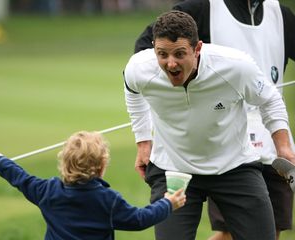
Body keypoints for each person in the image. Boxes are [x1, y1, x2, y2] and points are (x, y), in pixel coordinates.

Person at [123, 10, 295, 240]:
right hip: (173, 169)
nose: (170, 63)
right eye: (162, 54)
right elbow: (132, 91)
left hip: (234, 166)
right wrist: (143, 141)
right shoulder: (140, 67)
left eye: (179, 54)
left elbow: (270, 99)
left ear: (197, 48)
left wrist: (283, 147)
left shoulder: (236, 67)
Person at [0, 131, 186, 240]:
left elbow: (19, 177)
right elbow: (140, 219)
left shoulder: (47, 191)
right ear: (102, 166)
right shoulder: (108, 200)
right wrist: (168, 204)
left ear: (64, 162)